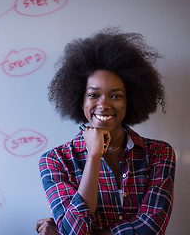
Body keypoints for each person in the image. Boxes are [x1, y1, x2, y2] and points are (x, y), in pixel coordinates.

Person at [36, 28, 176, 235]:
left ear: (131, 100)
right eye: (93, 95)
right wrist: (93, 156)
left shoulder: (159, 153)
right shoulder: (55, 161)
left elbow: (150, 228)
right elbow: (75, 231)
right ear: (79, 99)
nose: (104, 105)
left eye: (116, 96)